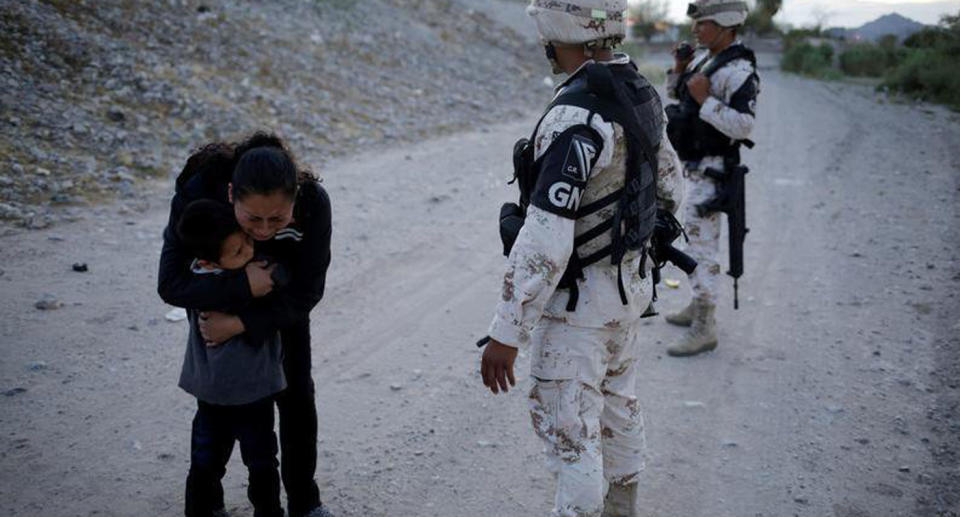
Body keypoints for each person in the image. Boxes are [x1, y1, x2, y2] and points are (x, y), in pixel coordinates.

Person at [479, 1, 684, 515]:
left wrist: (508, 331)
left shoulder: (574, 114)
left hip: (578, 308)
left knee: (571, 435)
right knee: (619, 409)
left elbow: (546, 238)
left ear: (561, 35)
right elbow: (671, 187)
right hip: (628, 291)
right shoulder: (639, 90)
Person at [158, 133, 334, 517]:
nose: (265, 229)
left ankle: (305, 503)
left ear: (295, 198)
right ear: (231, 193)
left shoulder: (313, 203)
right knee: (217, 408)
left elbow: (307, 292)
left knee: (296, 395)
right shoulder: (199, 190)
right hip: (216, 299)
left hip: (282, 306)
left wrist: (243, 321)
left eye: (278, 218)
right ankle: (205, 504)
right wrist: (239, 286)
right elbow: (171, 282)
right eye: (252, 218)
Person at [176, 199, 287, 517]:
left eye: (248, 243)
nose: (250, 253)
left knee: (262, 463)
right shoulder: (200, 284)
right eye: (239, 252)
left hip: (255, 394)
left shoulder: (256, 268)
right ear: (209, 263)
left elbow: (284, 281)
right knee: (206, 461)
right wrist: (247, 284)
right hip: (217, 396)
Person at [662, 0, 760, 357]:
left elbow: (743, 125)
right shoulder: (708, 60)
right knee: (693, 242)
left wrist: (705, 101)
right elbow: (678, 96)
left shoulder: (739, 70)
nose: (695, 30)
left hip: (713, 172)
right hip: (693, 167)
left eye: (702, 23)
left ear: (725, 25)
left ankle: (706, 325)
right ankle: (696, 305)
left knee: (701, 248)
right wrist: (680, 69)